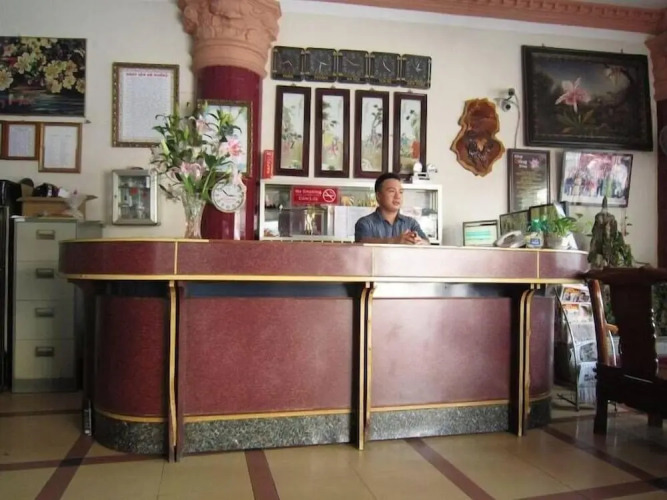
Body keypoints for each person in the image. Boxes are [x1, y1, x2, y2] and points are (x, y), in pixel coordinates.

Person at [354, 172, 428, 245]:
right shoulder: (365, 223)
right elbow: (362, 243)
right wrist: (395, 241)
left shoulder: (411, 223)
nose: (398, 196)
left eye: (401, 192)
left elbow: (426, 243)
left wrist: (418, 241)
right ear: (378, 196)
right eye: (392, 191)